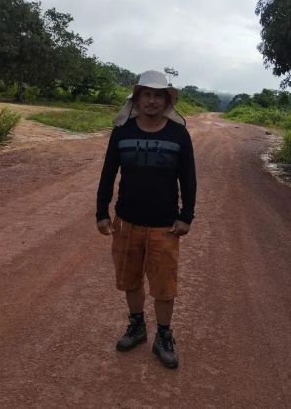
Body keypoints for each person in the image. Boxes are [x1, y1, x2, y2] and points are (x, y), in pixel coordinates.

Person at [95, 70, 197, 369]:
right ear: (137, 99)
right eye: (146, 94)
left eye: (158, 95)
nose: (151, 100)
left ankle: (163, 337)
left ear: (167, 100)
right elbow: (108, 173)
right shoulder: (122, 132)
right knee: (130, 278)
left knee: (164, 285)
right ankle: (137, 326)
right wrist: (102, 212)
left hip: (165, 225)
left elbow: (188, 179)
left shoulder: (179, 135)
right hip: (126, 222)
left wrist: (186, 215)